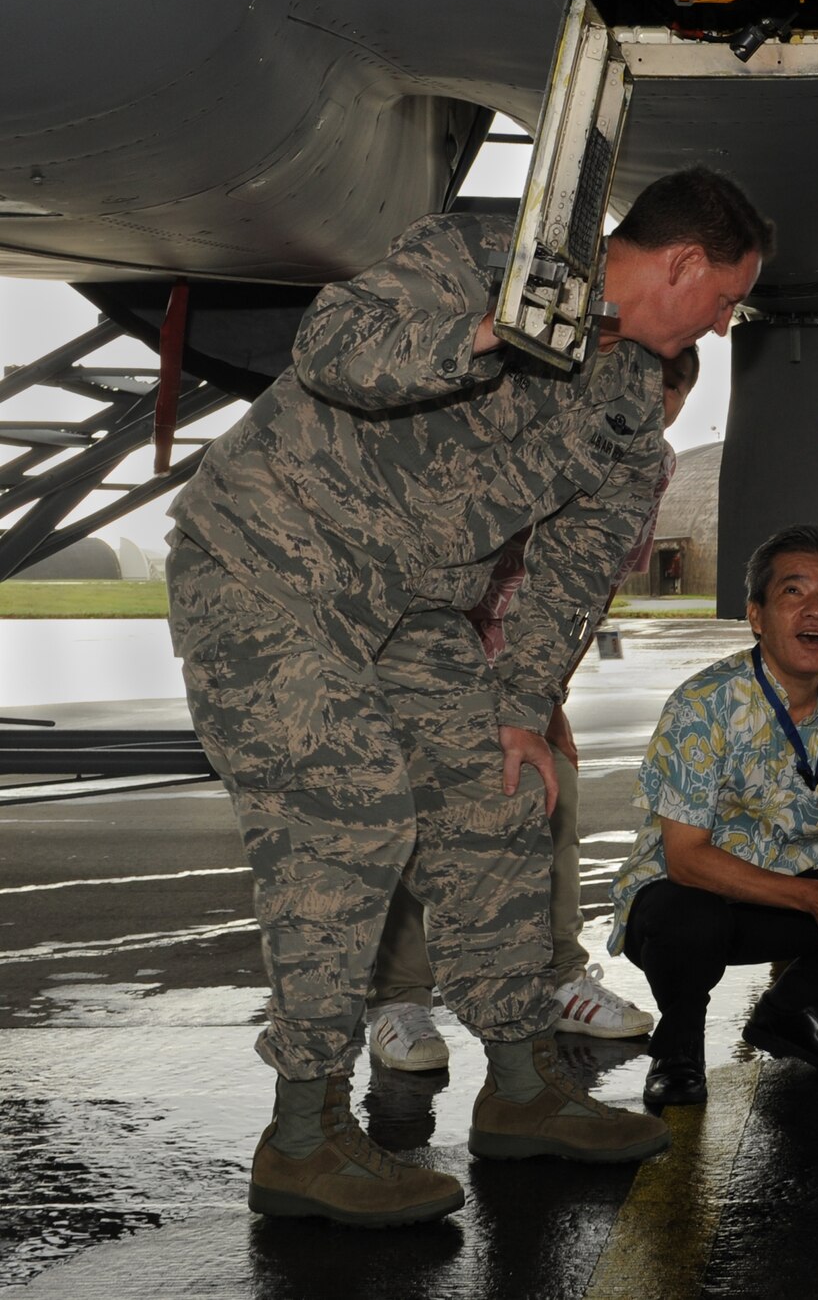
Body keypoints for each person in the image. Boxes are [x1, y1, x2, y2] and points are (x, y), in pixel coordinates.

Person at [165, 166, 771, 1226]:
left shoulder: (631, 404)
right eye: (724, 298)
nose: (722, 326)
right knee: (349, 816)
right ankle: (302, 1131)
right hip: (266, 562)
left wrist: (521, 706)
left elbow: (579, 563)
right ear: (680, 264)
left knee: (499, 798)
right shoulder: (492, 256)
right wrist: (489, 331)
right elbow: (332, 348)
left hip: (413, 606)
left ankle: (522, 1083)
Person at [363, 347, 702, 1073]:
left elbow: (597, 577)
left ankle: (557, 977)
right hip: (442, 630)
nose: (650, 411)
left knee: (558, 792)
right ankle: (398, 998)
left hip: (531, 653)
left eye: (666, 401)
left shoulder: (655, 462)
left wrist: (546, 687)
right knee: (412, 813)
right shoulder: (537, 415)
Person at [607, 525, 818, 1107]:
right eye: (794, 592)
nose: (817, 608)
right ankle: (679, 1046)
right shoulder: (704, 704)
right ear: (756, 615)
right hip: (693, 896)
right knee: (684, 917)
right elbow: (685, 859)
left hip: (795, 898)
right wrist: (816, 900)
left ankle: (792, 1014)